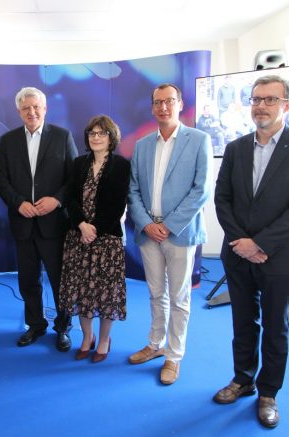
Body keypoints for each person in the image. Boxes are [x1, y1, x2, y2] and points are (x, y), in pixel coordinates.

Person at [213, 75, 289, 428]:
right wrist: (242, 243)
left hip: (280, 256)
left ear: (286, 105)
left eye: (270, 99)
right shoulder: (235, 148)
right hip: (238, 253)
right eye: (256, 99)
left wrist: (259, 244)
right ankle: (243, 379)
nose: (261, 105)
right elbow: (222, 199)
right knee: (243, 321)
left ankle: (268, 393)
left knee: (276, 327)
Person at [128, 83, 212, 385]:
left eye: (169, 101)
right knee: (155, 293)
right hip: (148, 232)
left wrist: (169, 225)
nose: (163, 107)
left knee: (179, 297)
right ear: (152, 107)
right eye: (157, 102)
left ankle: (173, 356)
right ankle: (155, 344)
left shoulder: (199, 140)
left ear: (180, 104)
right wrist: (147, 223)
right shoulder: (142, 145)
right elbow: (133, 189)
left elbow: (201, 190)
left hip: (180, 232)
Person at [0, 86, 78, 351]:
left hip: (54, 223)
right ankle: (35, 324)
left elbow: (74, 177)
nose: (31, 112)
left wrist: (57, 200)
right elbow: (0, 178)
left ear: (45, 108)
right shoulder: (8, 140)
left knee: (59, 280)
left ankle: (63, 328)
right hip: (23, 223)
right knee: (28, 280)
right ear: (19, 111)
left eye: (36, 107)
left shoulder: (62, 136)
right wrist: (18, 202)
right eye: (25, 108)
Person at [59, 115, 130, 363]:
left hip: (107, 241)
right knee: (82, 292)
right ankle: (87, 337)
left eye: (102, 133)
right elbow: (69, 198)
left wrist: (94, 230)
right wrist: (81, 225)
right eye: (92, 133)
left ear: (112, 137)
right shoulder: (79, 163)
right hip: (78, 239)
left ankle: (104, 340)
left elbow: (117, 205)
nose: (96, 137)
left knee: (106, 294)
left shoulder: (121, 165)